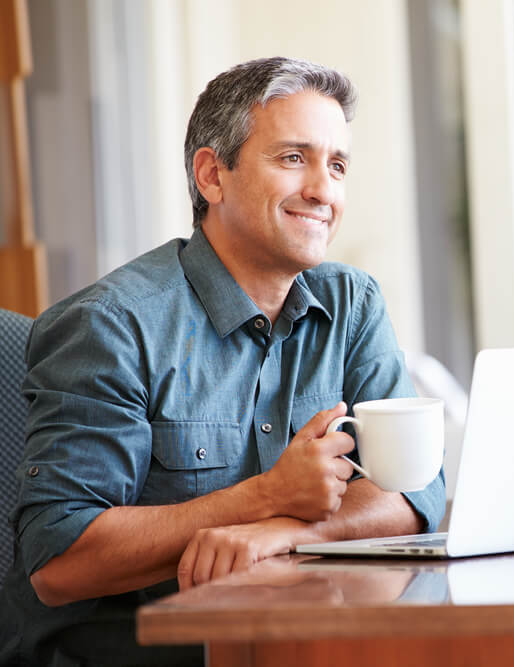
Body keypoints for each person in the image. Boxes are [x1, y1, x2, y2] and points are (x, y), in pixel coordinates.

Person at [0, 56, 445, 667]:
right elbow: (59, 562)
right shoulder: (110, 325)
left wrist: (285, 532)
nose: (323, 190)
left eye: (336, 165)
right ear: (212, 175)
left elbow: (416, 493)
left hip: (291, 641)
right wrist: (263, 497)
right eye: (294, 158)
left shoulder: (353, 304)